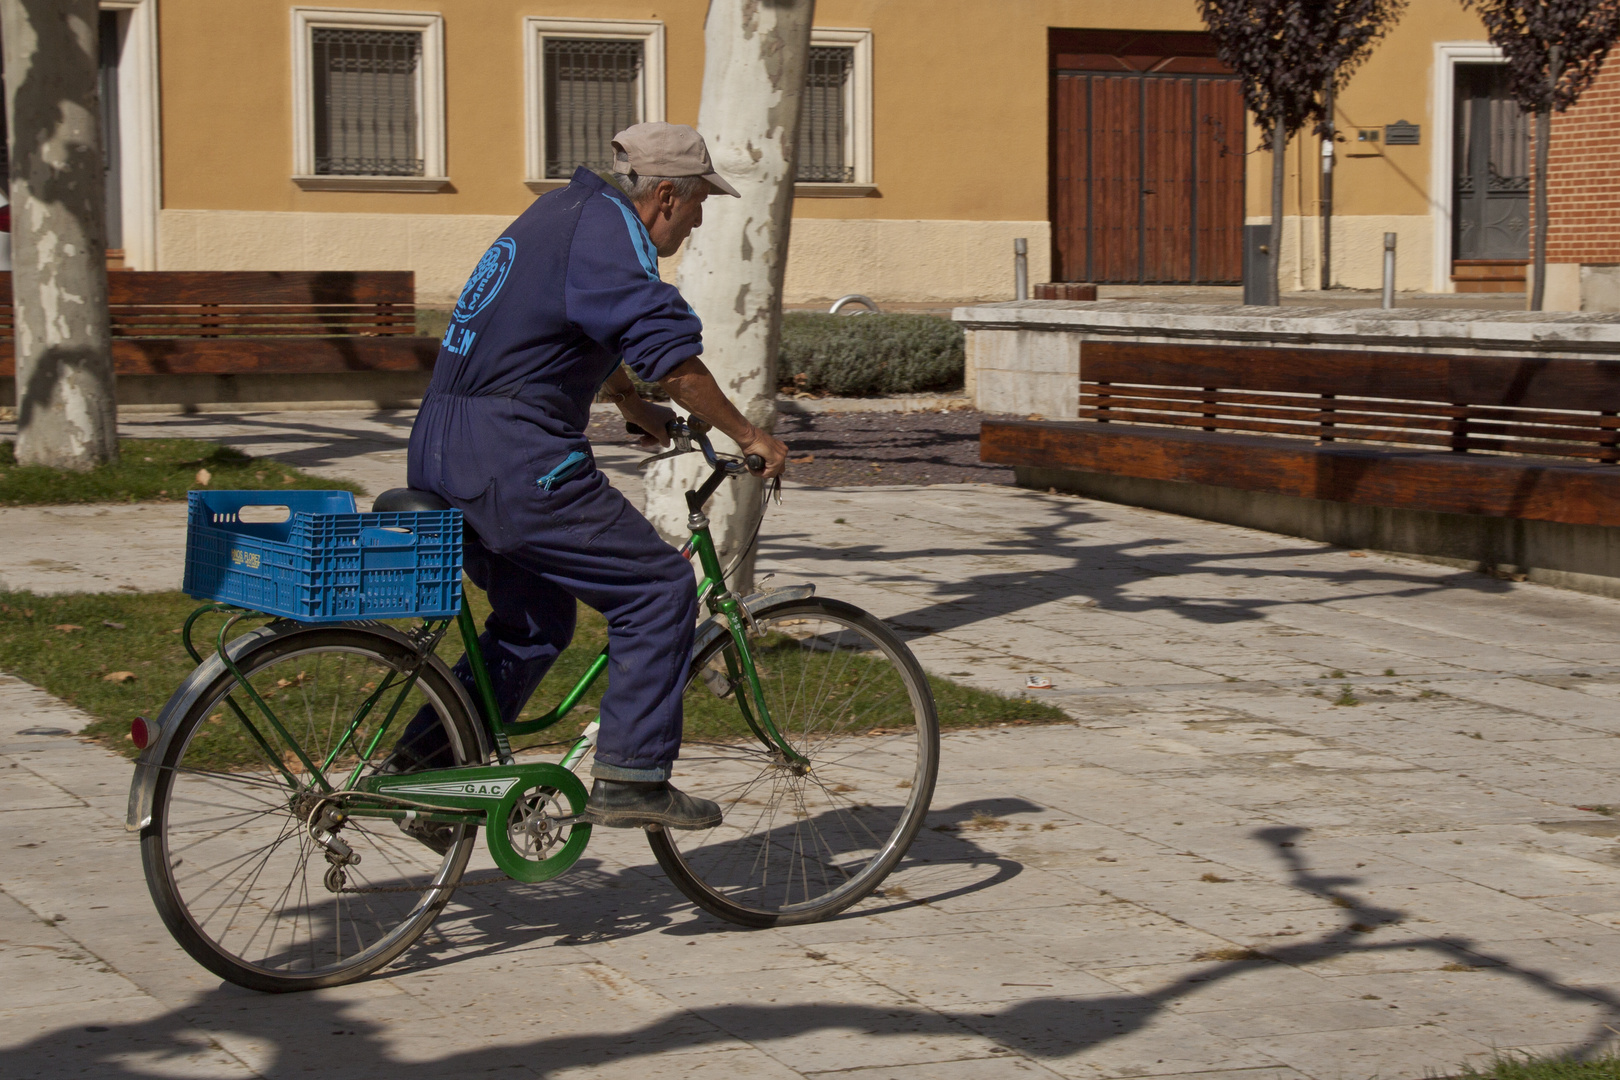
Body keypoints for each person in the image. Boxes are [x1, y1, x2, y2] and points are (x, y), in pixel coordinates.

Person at [383, 122, 789, 838]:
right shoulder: (610, 238)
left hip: (446, 444)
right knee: (659, 590)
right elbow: (670, 353)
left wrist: (628, 401)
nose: (697, 220)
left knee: (537, 621)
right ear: (667, 194)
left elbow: (560, 321)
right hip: (515, 458)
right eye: (698, 204)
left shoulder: (561, 214)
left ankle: (427, 772)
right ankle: (632, 776)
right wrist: (749, 433)